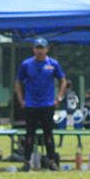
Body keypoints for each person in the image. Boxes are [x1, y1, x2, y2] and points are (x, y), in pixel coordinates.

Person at [15, 37, 66, 171]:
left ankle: (51, 161)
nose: (40, 51)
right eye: (37, 48)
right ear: (33, 49)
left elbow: (63, 80)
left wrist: (59, 98)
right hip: (31, 105)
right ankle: (27, 162)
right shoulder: (26, 64)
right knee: (29, 134)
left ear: (47, 49)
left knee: (48, 134)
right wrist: (21, 100)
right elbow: (18, 82)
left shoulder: (53, 64)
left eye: (42, 48)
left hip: (47, 104)